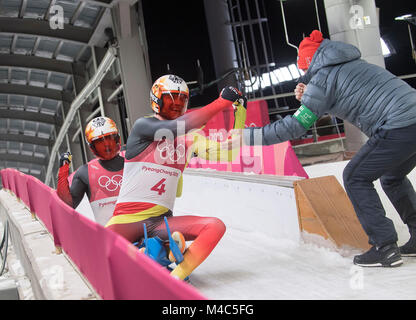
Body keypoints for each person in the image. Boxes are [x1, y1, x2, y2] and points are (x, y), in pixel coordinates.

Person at [237, 30, 416, 267]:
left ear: (309, 64)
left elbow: (294, 127)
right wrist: (311, 96)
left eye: (303, 70)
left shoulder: (322, 80)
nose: (303, 75)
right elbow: (348, 98)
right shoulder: (350, 64)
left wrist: (248, 136)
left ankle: (385, 246)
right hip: (411, 118)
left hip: (397, 125)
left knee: (354, 176)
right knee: (392, 176)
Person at [106, 74, 246, 280]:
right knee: (112, 258)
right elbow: (176, 127)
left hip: (160, 222)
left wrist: (240, 112)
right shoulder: (143, 127)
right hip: (126, 221)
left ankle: (174, 276)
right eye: (171, 98)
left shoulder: (191, 139)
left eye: (181, 100)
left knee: (215, 226)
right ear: (157, 100)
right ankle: (157, 253)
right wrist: (221, 102)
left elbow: (229, 152)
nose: (176, 104)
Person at [57, 116, 125, 226]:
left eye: (109, 139)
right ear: (92, 147)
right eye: (100, 143)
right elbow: (68, 205)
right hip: (112, 237)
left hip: (144, 231)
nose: (106, 146)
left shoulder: (133, 161)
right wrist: (63, 170)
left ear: (117, 139)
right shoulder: (85, 172)